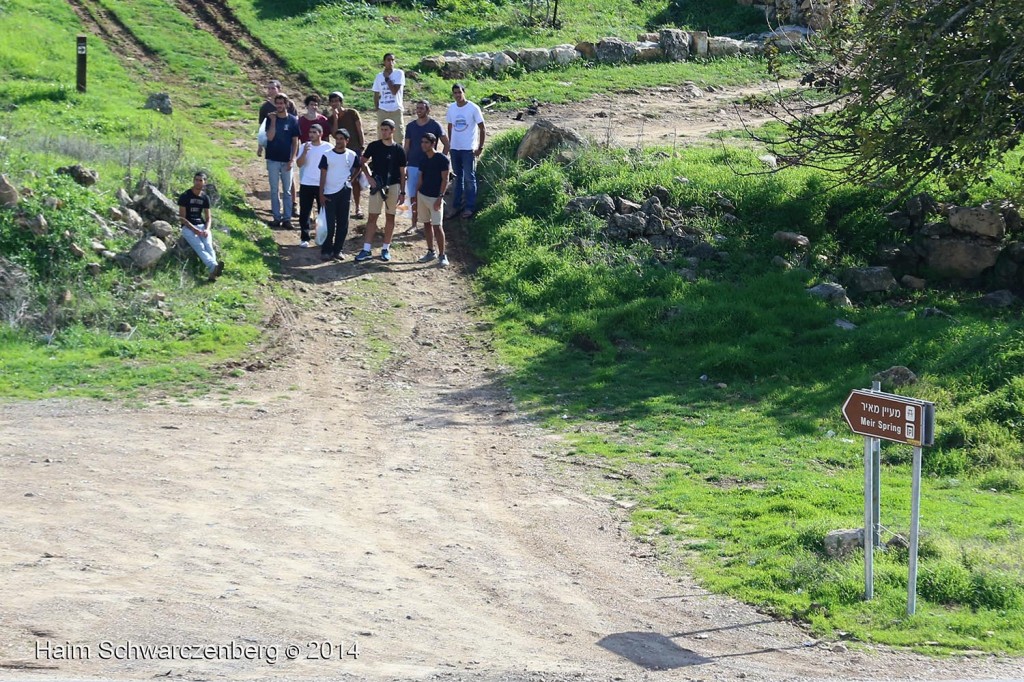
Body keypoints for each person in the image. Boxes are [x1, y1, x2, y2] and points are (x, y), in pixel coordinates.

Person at [356, 119, 407, 263]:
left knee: (390, 217)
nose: (383, 132)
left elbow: (403, 173)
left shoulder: (399, 150)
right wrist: (369, 178)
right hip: (377, 186)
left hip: (393, 185)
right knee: (372, 217)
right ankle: (366, 249)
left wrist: (402, 192)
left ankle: (385, 248)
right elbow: (362, 162)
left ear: (392, 131)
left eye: (386, 129)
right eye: (382, 129)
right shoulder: (374, 146)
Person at [403, 99, 449, 230]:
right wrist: (403, 165)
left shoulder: (435, 125)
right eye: (417, 108)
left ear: (428, 110)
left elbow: (447, 144)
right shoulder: (410, 126)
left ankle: (431, 222)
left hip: (430, 167)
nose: (418, 110)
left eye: (421, 108)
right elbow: (406, 146)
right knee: (413, 195)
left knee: (430, 193)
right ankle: (413, 224)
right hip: (413, 164)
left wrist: (441, 161)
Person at [318, 128, 361, 262]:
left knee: (343, 223)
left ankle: (338, 250)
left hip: (344, 191)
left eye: (342, 138)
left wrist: (352, 179)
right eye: (337, 138)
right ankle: (326, 249)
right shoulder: (327, 155)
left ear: (347, 141)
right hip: (329, 192)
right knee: (330, 224)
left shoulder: (352, 154)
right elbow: (323, 174)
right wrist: (321, 193)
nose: (339, 141)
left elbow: (358, 167)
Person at [446, 83, 486, 220]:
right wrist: (450, 145)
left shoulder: (473, 108)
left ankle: (469, 207)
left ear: (464, 92)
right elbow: (450, 127)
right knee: (457, 178)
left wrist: (480, 147)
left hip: (468, 149)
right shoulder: (451, 108)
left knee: (469, 178)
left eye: (459, 92)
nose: (457, 95)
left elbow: (482, 128)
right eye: (455, 93)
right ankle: (456, 206)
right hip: (455, 149)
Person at [326, 91, 366, 220]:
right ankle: (343, 207)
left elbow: (359, 130)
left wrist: (362, 147)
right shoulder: (331, 119)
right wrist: (336, 118)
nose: (335, 103)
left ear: (341, 101)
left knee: (355, 180)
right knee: (342, 179)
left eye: (337, 101)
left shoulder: (352, 113)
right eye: (332, 101)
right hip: (341, 153)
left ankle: (358, 207)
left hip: (355, 149)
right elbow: (334, 134)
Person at [177, 172, 223, 281]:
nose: (198, 182)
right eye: (196, 180)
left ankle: (213, 272)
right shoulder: (185, 196)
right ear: (193, 181)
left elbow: (208, 218)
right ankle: (214, 267)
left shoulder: (205, 198)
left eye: (200, 180)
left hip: (202, 226)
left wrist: (206, 229)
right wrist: (194, 229)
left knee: (209, 246)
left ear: (204, 182)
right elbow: (182, 218)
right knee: (200, 247)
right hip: (187, 228)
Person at [414, 133, 451, 267]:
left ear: (433, 143)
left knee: (437, 226)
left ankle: (442, 255)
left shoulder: (442, 159)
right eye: (422, 142)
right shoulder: (423, 158)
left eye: (426, 142)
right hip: (423, 195)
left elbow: (445, 179)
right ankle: (430, 251)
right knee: (426, 224)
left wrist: (440, 197)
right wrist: (415, 195)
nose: (423, 145)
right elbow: (420, 178)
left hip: (435, 197)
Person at [264, 94, 300, 229]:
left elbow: (295, 141)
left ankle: (287, 218)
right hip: (273, 159)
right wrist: (273, 121)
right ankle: (276, 217)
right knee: (274, 190)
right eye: (277, 103)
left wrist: (293, 159)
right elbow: (270, 137)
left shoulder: (292, 120)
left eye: (281, 103)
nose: (279, 106)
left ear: (286, 104)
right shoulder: (270, 119)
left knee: (287, 190)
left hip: (287, 160)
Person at [295, 124, 332, 247]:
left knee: (324, 212)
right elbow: (299, 164)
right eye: (310, 132)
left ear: (320, 134)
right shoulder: (304, 146)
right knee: (305, 212)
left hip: (323, 184)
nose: (311, 134)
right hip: (306, 183)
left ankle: (323, 236)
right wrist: (305, 152)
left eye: (314, 132)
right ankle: (305, 238)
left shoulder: (328, 147)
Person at [372, 53, 405, 145]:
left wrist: (387, 78)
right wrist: (377, 108)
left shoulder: (399, 73)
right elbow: (376, 92)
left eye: (392, 60)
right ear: (384, 62)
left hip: (396, 109)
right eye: (388, 60)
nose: (391, 62)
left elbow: (394, 91)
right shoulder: (379, 76)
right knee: (382, 135)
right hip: (383, 109)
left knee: (398, 135)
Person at [257, 80, 296, 158]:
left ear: (279, 89)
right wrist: (260, 145)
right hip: (272, 142)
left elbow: (295, 124)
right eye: (269, 89)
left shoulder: (290, 104)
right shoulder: (265, 107)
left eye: (273, 88)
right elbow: (262, 127)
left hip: (287, 141)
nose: (270, 91)